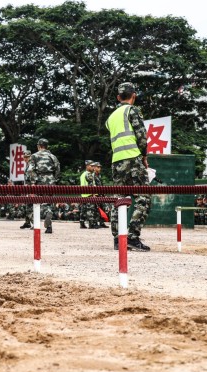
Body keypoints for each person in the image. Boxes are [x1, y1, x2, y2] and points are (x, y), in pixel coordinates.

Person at [106, 82, 151, 251]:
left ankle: (118, 239)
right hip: (133, 159)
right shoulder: (132, 110)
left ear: (118, 98)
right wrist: (144, 157)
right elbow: (141, 136)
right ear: (134, 95)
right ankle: (132, 236)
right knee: (144, 198)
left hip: (116, 162)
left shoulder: (111, 117)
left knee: (119, 200)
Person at [27, 138, 60, 234]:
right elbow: (58, 169)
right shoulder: (52, 156)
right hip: (51, 180)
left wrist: (33, 182)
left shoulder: (34, 156)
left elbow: (30, 170)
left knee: (38, 202)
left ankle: (40, 220)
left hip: (39, 181)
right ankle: (49, 227)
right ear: (47, 146)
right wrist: (54, 179)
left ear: (38, 146)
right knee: (49, 201)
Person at [79, 160, 97, 229]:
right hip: (89, 194)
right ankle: (91, 224)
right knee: (90, 209)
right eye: (91, 166)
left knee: (83, 210)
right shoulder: (89, 174)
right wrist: (93, 194)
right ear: (87, 166)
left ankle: (82, 223)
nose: (93, 168)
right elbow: (91, 185)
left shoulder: (83, 174)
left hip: (83, 195)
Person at [19, 150, 35, 229]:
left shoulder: (31, 164)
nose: (25, 159)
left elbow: (32, 177)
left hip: (31, 188)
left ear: (29, 157)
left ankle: (34, 223)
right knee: (27, 205)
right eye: (24, 157)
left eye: (26, 157)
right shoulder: (28, 164)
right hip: (28, 187)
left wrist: (31, 190)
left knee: (30, 206)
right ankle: (27, 222)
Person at [93, 162, 109, 228]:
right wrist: (94, 194)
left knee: (102, 208)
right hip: (96, 194)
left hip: (101, 194)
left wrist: (104, 194)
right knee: (96, 209)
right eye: (98, 167)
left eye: (100, 167)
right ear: (94, 167)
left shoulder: (99, 175)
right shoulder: (92, 175)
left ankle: (102, 222)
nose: (100, 168)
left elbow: (101, 185)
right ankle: (95, 223)